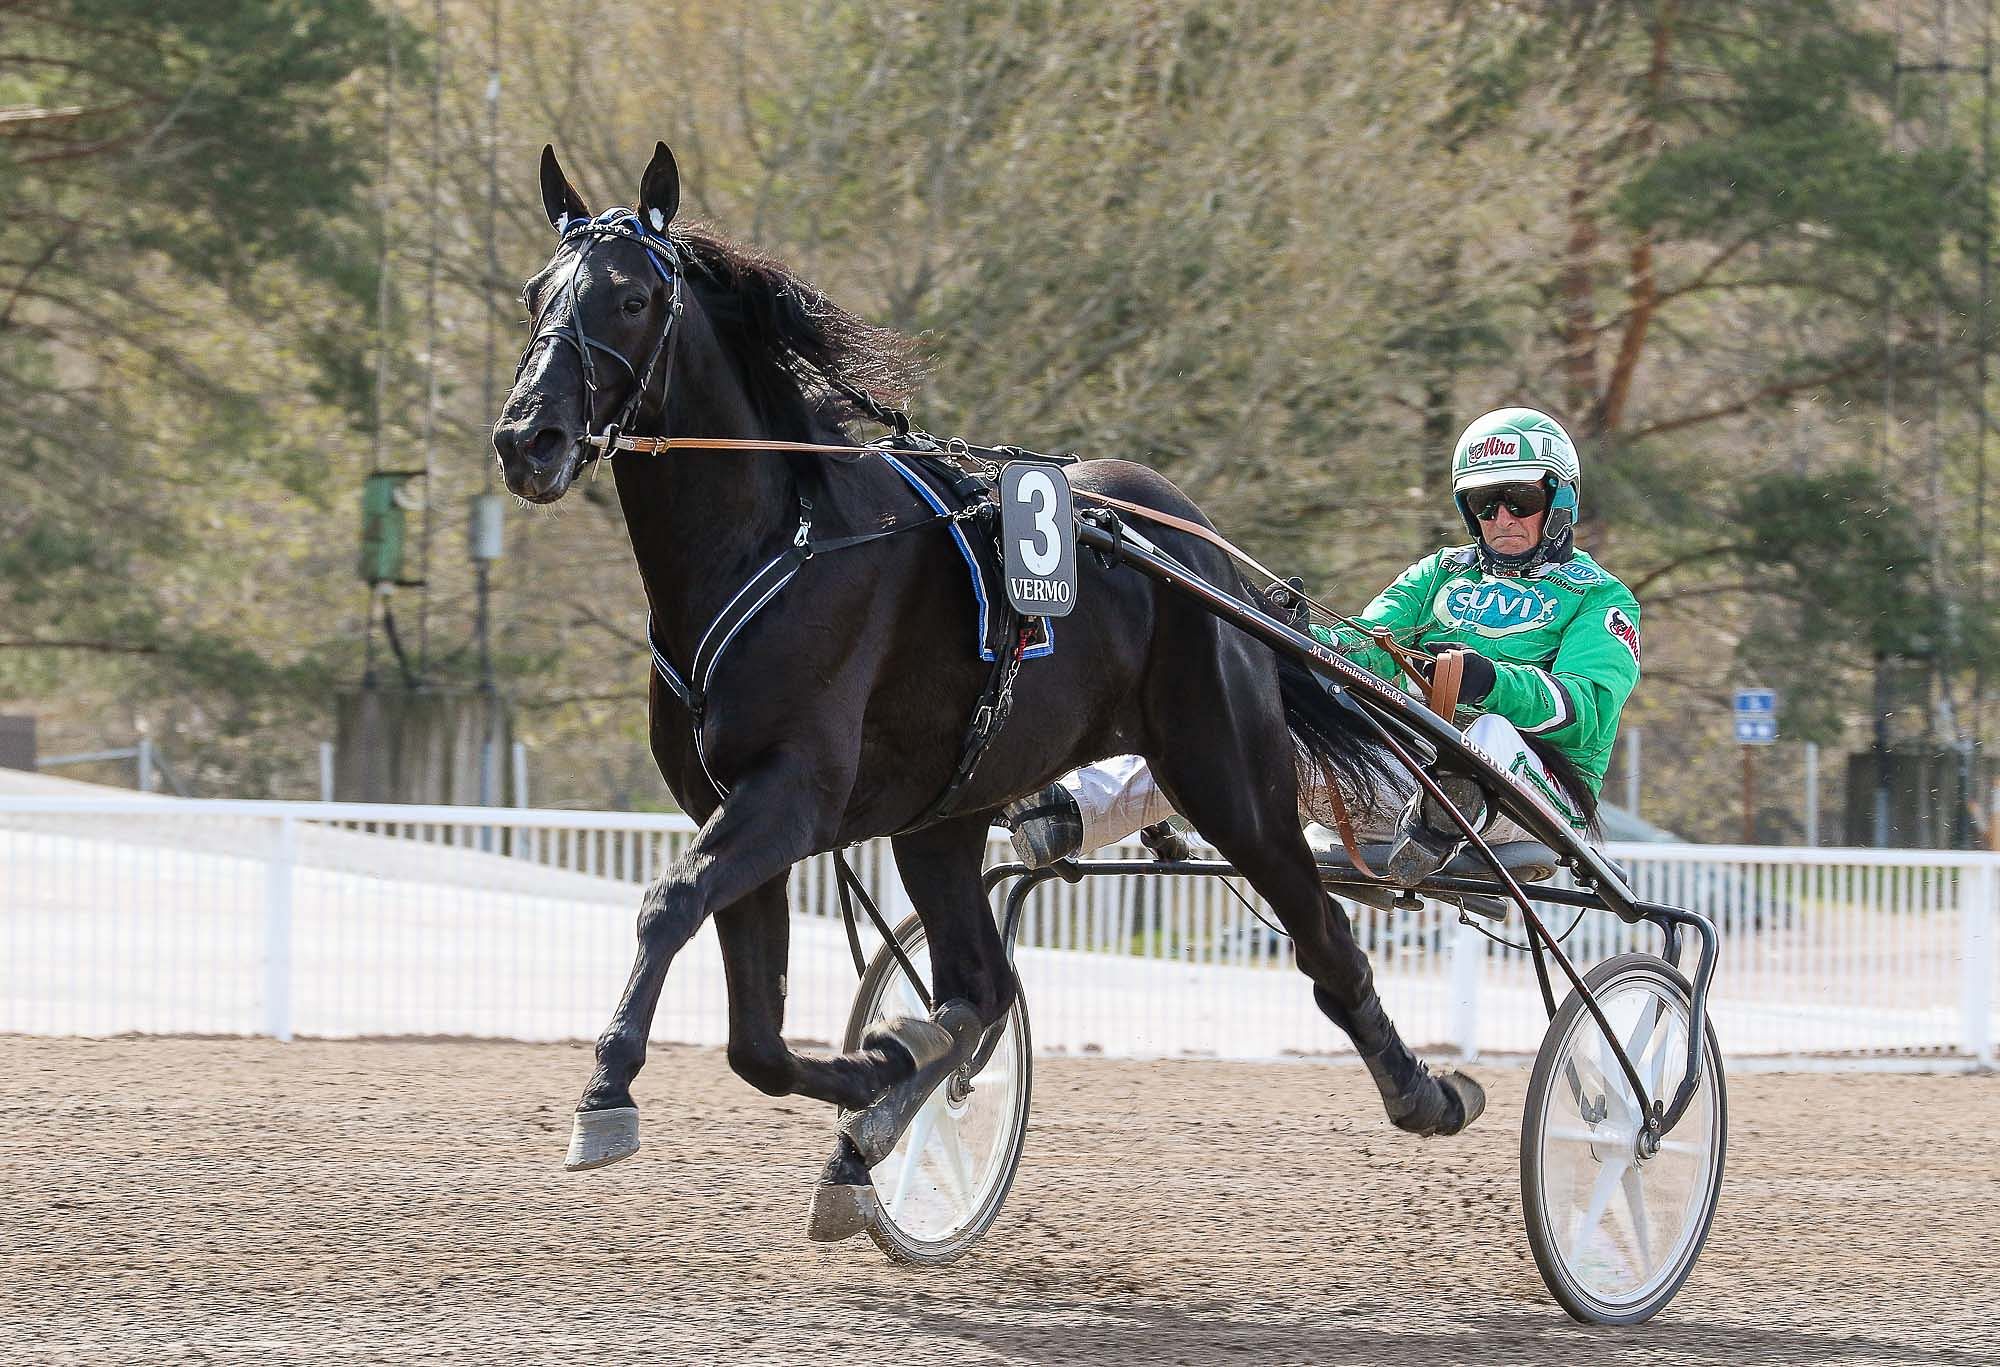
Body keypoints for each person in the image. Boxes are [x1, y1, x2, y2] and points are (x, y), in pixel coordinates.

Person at [1001, 406, 1642, 886]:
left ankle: (1454, 803)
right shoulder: (1439, 575)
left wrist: (1489, 682)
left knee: (1494, 732)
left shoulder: (1601, 600)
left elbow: (1587, 706)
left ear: (1558, 501)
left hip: (1535, 800)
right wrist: (1284, 635)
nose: (1500, 518)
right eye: (1483, 502)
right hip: (1402, 781)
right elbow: (1361, 645)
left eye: (1519, 499)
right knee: (1228, 729)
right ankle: (1067, 812)